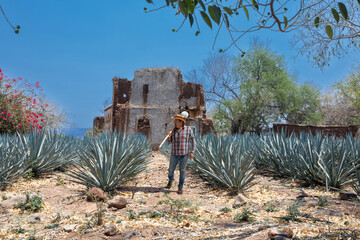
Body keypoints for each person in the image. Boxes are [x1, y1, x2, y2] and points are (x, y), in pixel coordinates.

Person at [165, 111, 196, 194]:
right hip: (174, 154)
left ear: (181, 122)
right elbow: (168, 142)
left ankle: (180, 187)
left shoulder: (188, 130)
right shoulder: (173, 131)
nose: (174, 123)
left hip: (184, 155)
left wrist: (192, 152)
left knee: (182, 171)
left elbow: (193, 141)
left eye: (176, 121)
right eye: (174, 121)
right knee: (171, 170)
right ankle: (170, 180)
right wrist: (169, 136)